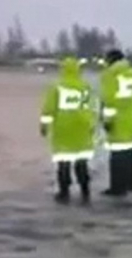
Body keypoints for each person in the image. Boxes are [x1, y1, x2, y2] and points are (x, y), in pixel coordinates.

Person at [40, 57, 96, 204]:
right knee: (81, 161)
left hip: (63, 128)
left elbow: (49, 109)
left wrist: (44, 126)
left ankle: (64, 192)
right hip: (83, 127)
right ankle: (85, 191)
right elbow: (91, 107)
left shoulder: (57, 87)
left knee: (63, 162)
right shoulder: (85, 86)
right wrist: (92, 125)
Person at [100, 49, 132, 197]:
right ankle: (131, 185)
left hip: (118, 122)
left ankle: (117, 188)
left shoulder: (111, 75)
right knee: (130, 153)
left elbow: (109, 100)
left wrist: (107, 121)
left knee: (117, 156)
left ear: (111, 60)